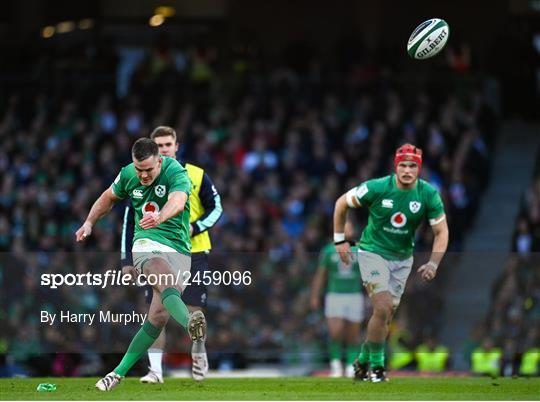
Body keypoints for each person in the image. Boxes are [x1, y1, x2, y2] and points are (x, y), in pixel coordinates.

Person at [76, 138, 206, 391]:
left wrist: (159, 216)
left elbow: (178, 202)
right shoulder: (127, 174)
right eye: (139, 170)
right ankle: (191, 323)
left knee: (156, 317)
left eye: (148, 169)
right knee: (160, 272)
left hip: (179, 248)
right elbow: (107, 198)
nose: (143, 175)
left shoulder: (175, 171)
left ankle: (116, 373)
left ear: (160, 160)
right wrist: (89, 222)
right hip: (146, 242)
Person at [333, 143, 449, 382]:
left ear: (419, 168)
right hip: (372, 252)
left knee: (384, 317)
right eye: (403, 165)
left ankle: (363, 359)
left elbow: (441, 232)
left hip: (403, 259)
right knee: (382, 306)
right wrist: (340, 240)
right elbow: (341, 203)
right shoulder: (377, 187)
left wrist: (433, 263)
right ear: (396, 167)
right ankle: (377, 369)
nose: (407, 170)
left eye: (413, 166)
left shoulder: (428, 194)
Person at [121, 126, 223, 383]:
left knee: (193, 308)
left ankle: (198, 353)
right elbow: (130, 220)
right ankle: (155, 370)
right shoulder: (143, 177)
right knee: (157, 311)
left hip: (195, 249)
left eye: (168, 144)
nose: (164, 149)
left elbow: (217, 207)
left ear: (176, 146)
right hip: (156, 249)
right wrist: (126, 259)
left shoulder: (196, 175)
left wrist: (196, 227)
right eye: (159, 145)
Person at [310, 220, 365, 377]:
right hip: (334, 295)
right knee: (335, 331)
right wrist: (314, 295)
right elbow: (320, 275)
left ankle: (350, 365)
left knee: (353, 334)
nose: (348, 229)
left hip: (354, 295)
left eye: (350, 226)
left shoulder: (359, 249)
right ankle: (335, 364)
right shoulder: (328, 250)